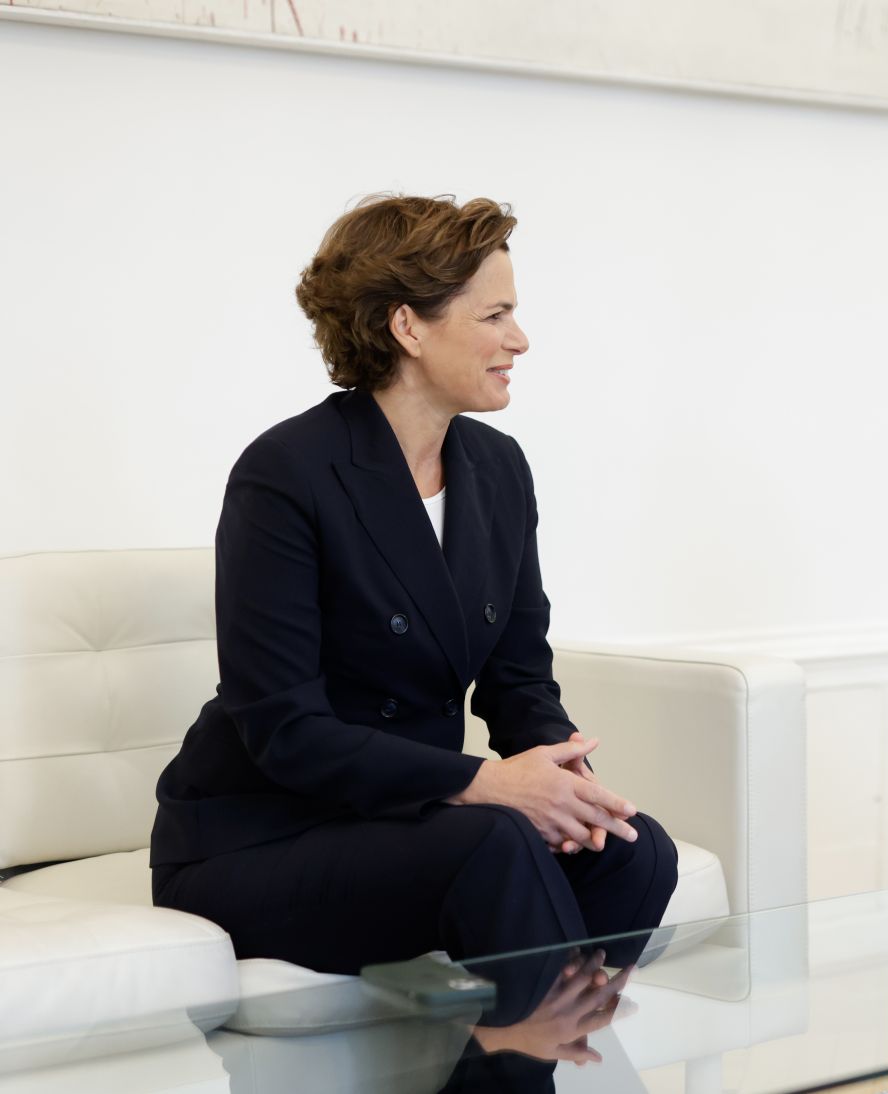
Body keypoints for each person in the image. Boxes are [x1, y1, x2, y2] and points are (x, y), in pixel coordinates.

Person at [149, 195, 678, 1023]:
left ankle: (514, 1063)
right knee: (494, 845)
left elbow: (518, 680)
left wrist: (560, 778)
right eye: (495, 315)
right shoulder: (287, 472)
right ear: (408, 327)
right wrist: (486, 784)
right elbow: (285, 730)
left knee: (635, 852)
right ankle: (525, 1063)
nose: (520, 339)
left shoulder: (498, 470)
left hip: (411, 821)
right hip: (261, 837)